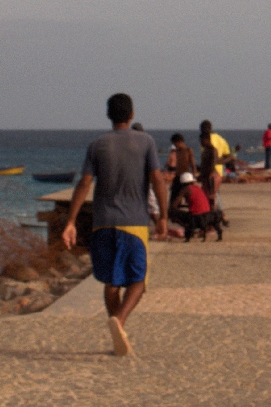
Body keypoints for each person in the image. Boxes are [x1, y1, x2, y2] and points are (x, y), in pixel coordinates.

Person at [63, 93, 167, 357]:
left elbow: (84, 184)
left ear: (109, 115)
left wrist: (71, 221)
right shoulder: (145, 142)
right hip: (134, 224)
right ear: (132, 115)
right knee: (138, 281)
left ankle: (117, 334)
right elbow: (157, 179)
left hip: (102, 224)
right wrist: (164, 215)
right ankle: (119, 321)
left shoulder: (97, 145)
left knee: (111, 282)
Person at [167, 133, 196, 212]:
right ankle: (174, 211)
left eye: (175, 144)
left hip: (186, 177)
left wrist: (194, 177)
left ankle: (192, 210)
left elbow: (193, 165)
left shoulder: (188, 150)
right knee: (174, 197)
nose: (174, 145)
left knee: (188, 196)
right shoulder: (177, 151)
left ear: (180, 142)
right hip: (178, 176)